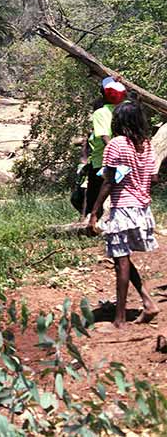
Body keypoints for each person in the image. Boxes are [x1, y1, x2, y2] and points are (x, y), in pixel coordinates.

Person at [87, 102, 159, 328]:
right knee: (123, 258)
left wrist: (94, 212)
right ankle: (148, 303)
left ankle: (119, 319)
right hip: (142, 208)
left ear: (118, 121)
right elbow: (154, 178)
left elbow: (109, 181)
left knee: (120, 262)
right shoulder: (146, 145)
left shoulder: (116, 144)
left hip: (123, 209)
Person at [81, 79, 126, 217]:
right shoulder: (127, 107)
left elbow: (105, 137)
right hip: (127, 159)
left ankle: (93, 222)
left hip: (103, 160)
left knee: (96, 195)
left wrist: (116, 152)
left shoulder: (100, 113)